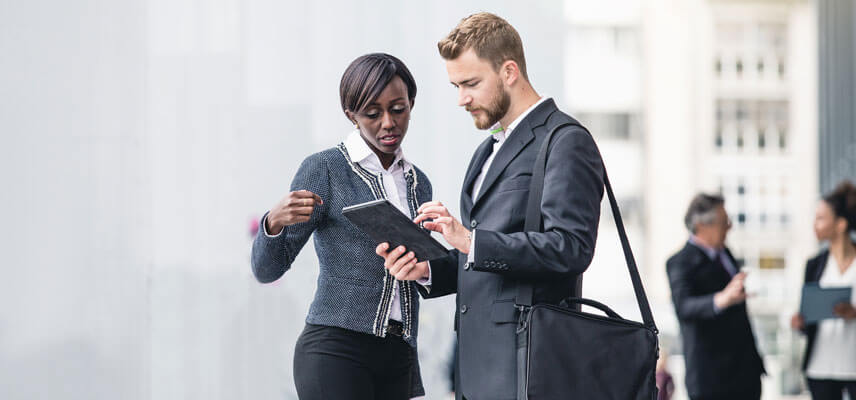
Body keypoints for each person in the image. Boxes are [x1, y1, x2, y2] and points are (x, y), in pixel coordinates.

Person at [376, 12, 605, 400]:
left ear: (509, 71)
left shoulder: (566, 141)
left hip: (529, 369)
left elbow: (570, 247)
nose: (461, 98)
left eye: (470, 83)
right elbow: (484, 259)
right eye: (456, 85)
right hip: (476, 371)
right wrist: (428, 269)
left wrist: (470, 240)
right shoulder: (486, 151)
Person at [251, 53, 431, 400]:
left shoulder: (418, 183)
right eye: (372, 114)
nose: (388, 123)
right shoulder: (326, 170)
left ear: (411, 103)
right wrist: (273, 222)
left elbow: (417, 271)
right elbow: (266, 270)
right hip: (336, 351)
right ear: (352, 114)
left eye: (398, 109)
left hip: (400, 353)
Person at [666, 193, 765, 400]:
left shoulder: (726, 254)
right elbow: (683, 307)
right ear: (702, 226)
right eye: (724, 222)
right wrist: (721, 299)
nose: (729, 227)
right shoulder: (680, 262)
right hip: (711, 378)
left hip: (746, 373)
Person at [790, 181, 856, 399]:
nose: (814, 225)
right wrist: (801, 322)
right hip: (821, 365)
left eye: (821, 218)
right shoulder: (815, 265)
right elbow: (809, 314)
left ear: (841, 224)